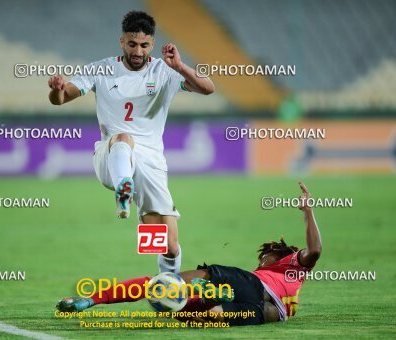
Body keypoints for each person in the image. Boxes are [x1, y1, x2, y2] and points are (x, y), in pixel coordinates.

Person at [47, 11, 215, 273]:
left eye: (144, 45)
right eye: (132, 44)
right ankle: (122, 191)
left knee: (167, 246)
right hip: (111, 156)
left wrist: (179, 67)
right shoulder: (101, 69)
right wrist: (57, 89)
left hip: (151, 163)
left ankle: (166, 289)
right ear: (121, 42)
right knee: (124, 138)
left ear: (152, 44)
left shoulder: (164, 70)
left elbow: (208, 88)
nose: (138, 51)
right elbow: (60, 99)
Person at [56, 182, 322, 326]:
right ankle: (204, 298)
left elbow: (315, 250)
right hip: (267, 314)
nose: (261, 260)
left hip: (253, 288)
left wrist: (308, 213)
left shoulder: (291, 262)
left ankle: (92, 300)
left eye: (265, 257)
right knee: (197, 315)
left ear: (281, 254)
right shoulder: (292, 286)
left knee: (163, 287)